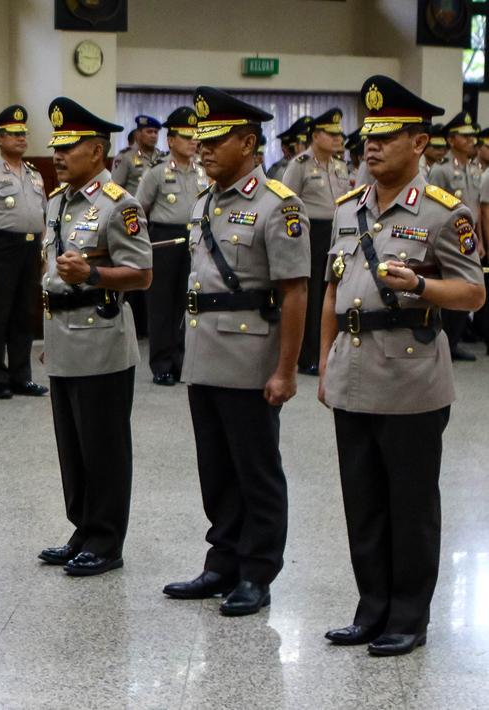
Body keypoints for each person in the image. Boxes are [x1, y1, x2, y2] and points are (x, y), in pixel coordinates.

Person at [319, 75, 486, 656]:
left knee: (410, 505)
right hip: (353, 372)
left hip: (412, 379)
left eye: (388, 136)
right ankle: (372, 608)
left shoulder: (445, 213)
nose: (372, 144)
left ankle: (409, 618)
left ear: (418, 144)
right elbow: (330, 292)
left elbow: (473, 294)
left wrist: (420, 284)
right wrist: (323, 362)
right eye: (369, 134)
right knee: (362, 501)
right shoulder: (346, 210)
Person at [163, 87, 309, 617]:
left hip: (252, 360)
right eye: (200, 141)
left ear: (248, 143)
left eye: (216, 140)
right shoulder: (204, 202)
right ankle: (222, 560)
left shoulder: (278, 204)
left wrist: (286, 369)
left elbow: (295, 292)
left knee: (256, 470)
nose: (203, 149)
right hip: (205, 356)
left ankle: (256, 571)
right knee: (216, 468)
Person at [36, 96, 152, 577]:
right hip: (62, 335)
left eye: (70, 147)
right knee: (73, 445)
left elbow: (142, 273)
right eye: (56, 147)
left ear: (98, 152)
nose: (59, 155)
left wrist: (93, 274)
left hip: (100, 335)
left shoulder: (119, 206)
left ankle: (106, 540)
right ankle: (82, 528)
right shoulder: (57, 201)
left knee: (103, 445)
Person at [0, 105, 48, 399]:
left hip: (30, 248)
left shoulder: (34, 174)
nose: (21, 139)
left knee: (24, 315)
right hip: (1, 247)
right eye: (14, 134)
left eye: (23, 134)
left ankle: (21, 376)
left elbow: (40, 217)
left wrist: (42, 255)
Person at [136, 106, 207, 385]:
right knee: (161, 305)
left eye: (195, 136)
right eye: (186, 136)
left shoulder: (202, 172)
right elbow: (139, 210)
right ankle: (162, 364)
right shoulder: (156, 172)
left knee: (186, 304)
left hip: (194, 241)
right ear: (171, 140)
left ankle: (182, 361)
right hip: (164, 239)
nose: (193, 141)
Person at [282, 108, 351, 375]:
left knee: (331, 293)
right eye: (331, 134)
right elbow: (287, 203)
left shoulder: (339, 166)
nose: (337, 139)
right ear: (316, 135)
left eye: (339, 134)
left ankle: (328, 352)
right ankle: (307, 355)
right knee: (309, 297)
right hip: (310, 233)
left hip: (336, 234)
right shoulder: (299, 165)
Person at [428, 112, 481, 362]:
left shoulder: (472, 169)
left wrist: (478, 238)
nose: (472, 140)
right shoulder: (441, 171)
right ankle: (445, 341)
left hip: (468, 235)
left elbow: (476, 208)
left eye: (472, 136)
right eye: (465, 136)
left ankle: (455, 340)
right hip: (448, 237)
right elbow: (434, 208)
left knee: (468, 286)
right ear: (451, 140)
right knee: (450, 288)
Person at [111, 115, 165, 194]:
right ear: (138, 134)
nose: (153, 136)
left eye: (156, 132)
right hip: (134, 204)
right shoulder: (125, 156)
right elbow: (114, 187)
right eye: (149, 132)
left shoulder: (162, 156)